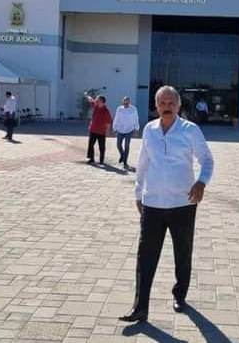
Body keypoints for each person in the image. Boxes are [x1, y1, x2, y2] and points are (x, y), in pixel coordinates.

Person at [119, 86, 214, 322]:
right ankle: (140, 307)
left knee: (183, 252)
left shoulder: (190, 130)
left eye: (171, 102)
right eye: (162, 103)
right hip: (153, 203)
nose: (167, 107)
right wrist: (138, 194)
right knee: (145, 256)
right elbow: (142, 164)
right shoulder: (149, 130)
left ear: (179, 105)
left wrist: (201, 182)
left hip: (183, 203)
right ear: (156, 105)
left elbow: (207, 160)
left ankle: (179, 295)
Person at [113, 96, 139, 169]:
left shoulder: (133, 109)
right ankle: (122, 155)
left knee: (127, 145)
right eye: (124, 102)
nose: (126, 104)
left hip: (129, 129)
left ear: (129, 102)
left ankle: (125, 162)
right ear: (123, 102)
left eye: (127, 102)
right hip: (120, 129)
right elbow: (116, 118)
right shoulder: (119, 109)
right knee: (118, 144)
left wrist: (136, 129)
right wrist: (114, 127)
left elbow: (136, 118)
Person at [86, 94, 112, 164]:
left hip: (101, 132)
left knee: (102, 147)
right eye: (96, 99)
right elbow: (91, 100)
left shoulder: (106, 111)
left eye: (97, 100)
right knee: (90, 145)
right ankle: (91, 159)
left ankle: (101, 160)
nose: (96, 100)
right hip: (93, 130)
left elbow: (108, 123)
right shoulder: (96, 106)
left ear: (102, 101)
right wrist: (87, 95)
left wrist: (107, 132)